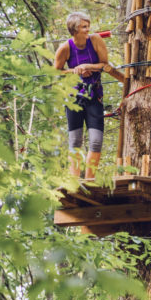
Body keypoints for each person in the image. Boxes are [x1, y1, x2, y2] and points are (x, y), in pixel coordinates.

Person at [54, 11, 113, 179]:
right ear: (74, 29)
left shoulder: (95, 40)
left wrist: (89, 66)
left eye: (88, 26)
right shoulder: (65, 48)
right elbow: (55, 72)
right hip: (73, 97)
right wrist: (75, 70)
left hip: (94, 95)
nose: (88, 30)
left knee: (96, 140)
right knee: (75, 141)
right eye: (84, 27)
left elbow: (104, 65)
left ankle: (89, 179)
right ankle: (74, 181)